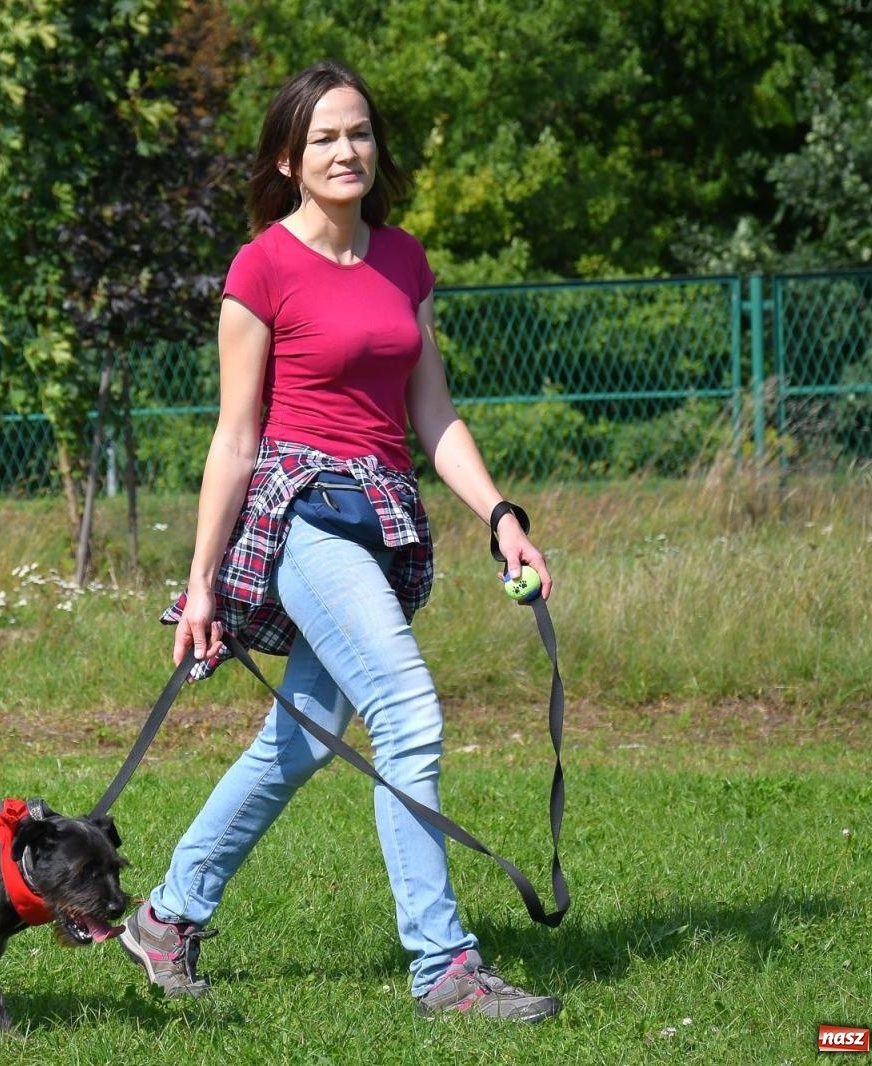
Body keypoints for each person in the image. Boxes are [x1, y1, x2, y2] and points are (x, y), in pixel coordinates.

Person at [116, 60, 560, 1023]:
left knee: (301, 741)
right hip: (304, 518)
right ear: (287, 157)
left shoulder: (404, 259)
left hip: (385, 521)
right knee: (407, 712)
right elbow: (235, 438)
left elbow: (433, 414)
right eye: (322, 137)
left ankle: (166, 915)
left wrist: (501, 516)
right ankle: (444, 967)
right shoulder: (262, 267)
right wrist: (201, 585)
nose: (346, 150)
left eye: (358, 132)